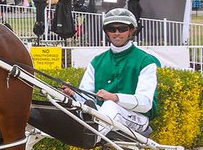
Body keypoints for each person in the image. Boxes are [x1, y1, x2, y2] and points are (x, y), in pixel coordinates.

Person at [63, 7, 159, 138]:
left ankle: (88, 139)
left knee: (110, 105)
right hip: (104, 115)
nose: (117, 33)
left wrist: (115, 97)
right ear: (107, 32)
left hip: (138, 118)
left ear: (131, 30)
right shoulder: (97, 61)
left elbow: (146, 103)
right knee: (71, 105)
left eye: (122, 29)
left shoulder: (146, 61)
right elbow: (89, 100)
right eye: (112, 29)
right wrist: (74, 93)